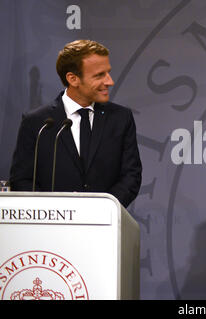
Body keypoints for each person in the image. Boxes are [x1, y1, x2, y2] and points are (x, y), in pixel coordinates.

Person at [9, 40, 142, 208]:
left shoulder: (121, 118)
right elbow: (22, 180)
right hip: (51, 228)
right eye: (99, 75)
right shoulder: (37, 123)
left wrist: (102, 210)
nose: (109, 81)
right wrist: (54, 214)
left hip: (104, 227)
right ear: (73, 79)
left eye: (108, 73)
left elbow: (131, 176)